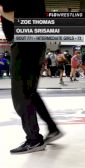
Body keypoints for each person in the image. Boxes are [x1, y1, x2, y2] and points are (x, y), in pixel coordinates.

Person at [0, 0, 63, 154]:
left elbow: (23, 19)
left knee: (21, 94)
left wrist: (1, 11)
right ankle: (52, 128)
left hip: (24, 43)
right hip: (33, 42)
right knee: (30, 92)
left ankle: (34, 139)